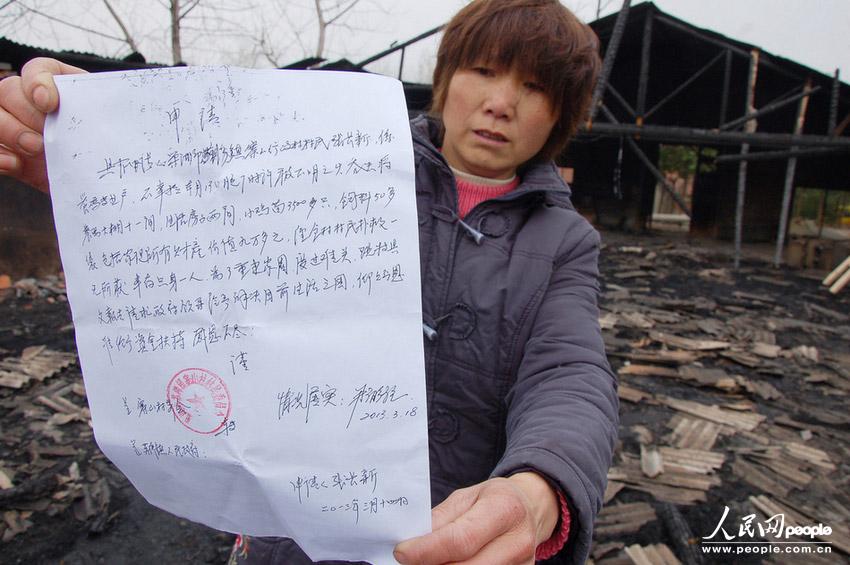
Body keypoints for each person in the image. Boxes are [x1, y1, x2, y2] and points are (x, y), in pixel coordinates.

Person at [0, 0, 618, 563]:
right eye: (484, 70)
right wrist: (96, 160)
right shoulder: (334, 161)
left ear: (561, 115)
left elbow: (569, 372)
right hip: (289, 534)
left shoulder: (564, 242)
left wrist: (540, 484)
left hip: (450, 541)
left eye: (535, 87)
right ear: (447, 77)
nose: (501, 102)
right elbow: (211, 233)